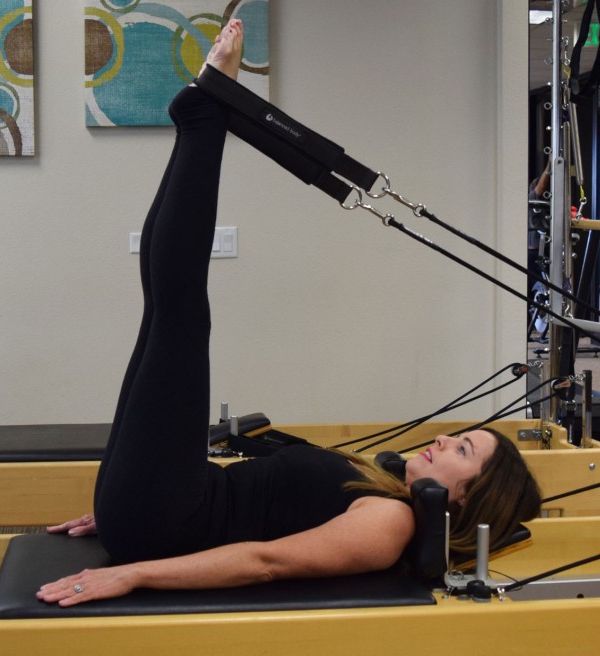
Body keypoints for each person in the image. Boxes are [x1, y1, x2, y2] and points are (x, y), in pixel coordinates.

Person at [37, 20, 541, 608]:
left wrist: (136, 573)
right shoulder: (382, 482)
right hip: (159, 506)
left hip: (165, 524)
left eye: (464, 452)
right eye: (460, 438)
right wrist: (133, 495)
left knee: (179, 313)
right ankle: (202, 114)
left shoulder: (390, 524)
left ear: (464, 501)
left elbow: (266, 562)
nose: (446, 438)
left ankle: (204, 115)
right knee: (165, 308)